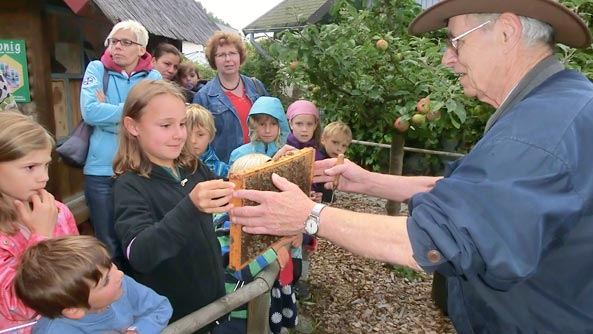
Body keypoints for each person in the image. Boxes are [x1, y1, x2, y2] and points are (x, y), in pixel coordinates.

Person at [229, 0, 593, 333]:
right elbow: (471, 195)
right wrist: (369, 182)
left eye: (455, 41)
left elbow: (439, 240)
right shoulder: (552, 108)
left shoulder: (537, 132)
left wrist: (308, 215)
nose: (447, 59)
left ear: (507, 32)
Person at [112, 79, 234, 332]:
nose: (179, 134)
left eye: (182, 124)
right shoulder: (129, 185)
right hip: (174, 318)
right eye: (166, 125)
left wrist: (266, 170)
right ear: (133, 126)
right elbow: (139, 255)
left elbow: (230, 192)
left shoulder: (192, 166)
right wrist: (190, 207)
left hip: (212, 302)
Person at [80, 20, 161, 272]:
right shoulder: (97, 69)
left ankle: (141, 293)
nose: (117, 47)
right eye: (113, 41)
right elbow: (90, 112)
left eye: (126, 42)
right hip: (100, 172)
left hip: (140, 169)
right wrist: (133, 112)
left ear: (141, 49)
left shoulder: (153, 76)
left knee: (140, 236)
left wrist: (112, 109)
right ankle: (116, 299)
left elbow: (155, 117)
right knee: (107, 244)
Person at [0, 111, 79, 333]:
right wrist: (41, 239)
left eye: (46, 165)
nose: (43, 177)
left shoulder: (58, 212)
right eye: (30, 167)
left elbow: (78, 270)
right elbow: (17, 307)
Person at [14, 235, 172, 334]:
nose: (120, 274)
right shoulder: (55, 331)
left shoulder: (121, 285)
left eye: (111, 264)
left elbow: (160, 307)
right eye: (105, 281)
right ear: (74, 310)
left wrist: (137, 330)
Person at [215, 153, 299, 334]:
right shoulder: (225, 227)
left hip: (261, 305)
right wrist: (275, 249)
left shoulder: (261, 220)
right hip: (234, 315)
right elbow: (237, 269)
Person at [193, 31, 268, 163]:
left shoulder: (256, 87)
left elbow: (273, 124)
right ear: (213, 60)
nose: (228, 59)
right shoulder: (204, 97)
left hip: (261, 162)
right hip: (226, 169)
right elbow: (199, 144)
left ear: (240, 56)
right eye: (221, 55)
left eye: (232, 53)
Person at [228, 96, 292, 166]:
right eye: (262, 124)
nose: (267, 130)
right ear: (253, 125)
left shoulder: (289, 153)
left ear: (281, 125)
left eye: (273, 124)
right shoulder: (239, 155)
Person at [186, 103, 229, 178]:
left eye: (200, 135)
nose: (193, 141)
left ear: (211, 135)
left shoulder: (222, 170)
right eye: (188, 134)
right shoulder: (172, 167)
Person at [318, 120, 353, 202]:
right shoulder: (317, 158)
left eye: (344, 145)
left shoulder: (339, 162)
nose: (339, 148)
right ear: (323, 140)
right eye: (335, 142)